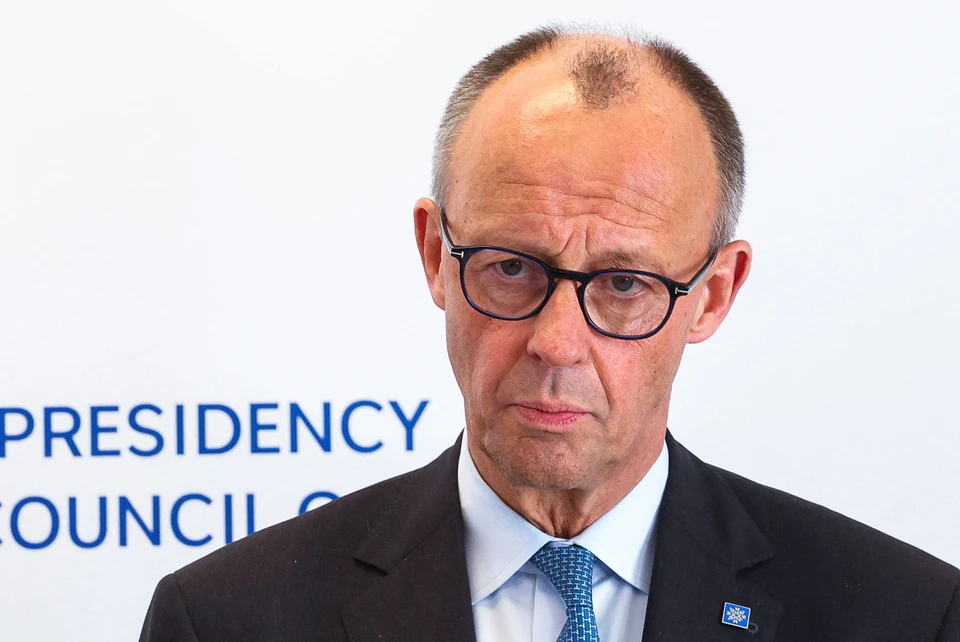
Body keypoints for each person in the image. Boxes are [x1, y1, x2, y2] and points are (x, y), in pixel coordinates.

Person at [139, 25, 960, 641]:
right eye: (510, 268)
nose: (556, 343)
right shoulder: (224, 620)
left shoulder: (905, 616)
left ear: (713, 295)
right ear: (435, 254)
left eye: (625, 284)